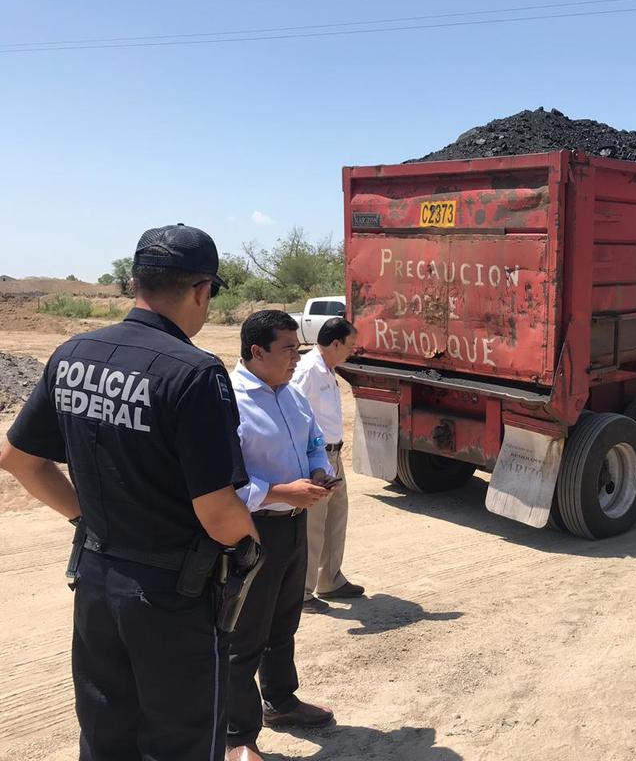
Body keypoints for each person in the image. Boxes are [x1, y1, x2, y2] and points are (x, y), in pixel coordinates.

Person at [0, 224, 258, 761]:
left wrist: (85, 519)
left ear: (135, 281)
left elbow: (19, 460)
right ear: (201, 290)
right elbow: (217, 511)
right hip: (173, 594)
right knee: (182, 742)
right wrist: (251, 546)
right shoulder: (195, 372)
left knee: (106, 735)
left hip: (96, 580)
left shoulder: (73, 352)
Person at [228, 309, 336, 761]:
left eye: (298, 347)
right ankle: (236, 736)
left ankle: (280, 700)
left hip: (293, 525)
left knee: (284, 620)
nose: (298, 357)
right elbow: (222, 479)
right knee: (244, 633)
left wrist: (318, 470)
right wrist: (278, 492)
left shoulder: (291, 395)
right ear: (257, 351)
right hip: (252, 530)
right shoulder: (229, 400)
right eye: (289, 349)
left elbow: (314, 441)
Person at [291, 316, 363, 613]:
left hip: (334, 455)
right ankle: (303, 593)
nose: (352, 352)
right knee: (313, 526)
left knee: (335, 518)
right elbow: (294, 415)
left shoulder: (328, 369)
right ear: (335, 343)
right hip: (317, 458)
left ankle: (330, 580)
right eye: (349, 346)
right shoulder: (308, 371)